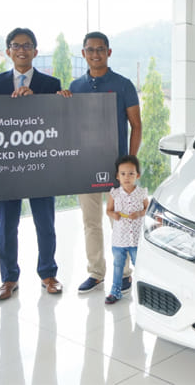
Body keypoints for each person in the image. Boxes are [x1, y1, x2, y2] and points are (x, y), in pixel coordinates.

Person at [61, 31, 142, 294]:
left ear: (109, 52)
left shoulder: (123, 85)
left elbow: (136, 125)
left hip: (117, 168)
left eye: (100, 49)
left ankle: (125, 273)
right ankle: (96, 272)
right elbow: (69, 124)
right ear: (83, 53)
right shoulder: (75, 87)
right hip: (85, 165)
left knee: (120, 221)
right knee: (91, 222)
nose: (95, 54)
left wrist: (130, 163)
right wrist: (61, 102)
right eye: (90, 49)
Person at [0, 27, 63, 300]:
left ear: (35, 51)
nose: (22, 50)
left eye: (27, 45)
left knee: (46, 224)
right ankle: (8, 279)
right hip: (7, 165)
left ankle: (48, 274)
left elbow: (57, 122)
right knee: (7, 226)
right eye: (16, 45)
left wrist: (38, 103)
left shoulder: (51, 83)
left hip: (41, 165)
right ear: (8, 51)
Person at [105, 155, 148, 304]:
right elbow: (108, 210)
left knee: (139, 265)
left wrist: (139, 214)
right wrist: (114, 215)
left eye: (131, 173)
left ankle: (144, 291)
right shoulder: (115, 193)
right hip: (119, 239)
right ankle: (115, 291)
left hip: (136, 239)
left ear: (137, 175)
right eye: (123, 174)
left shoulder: (141, 193)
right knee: (118, 266)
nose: (127, 177)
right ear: (118, 176)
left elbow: (147, 209)